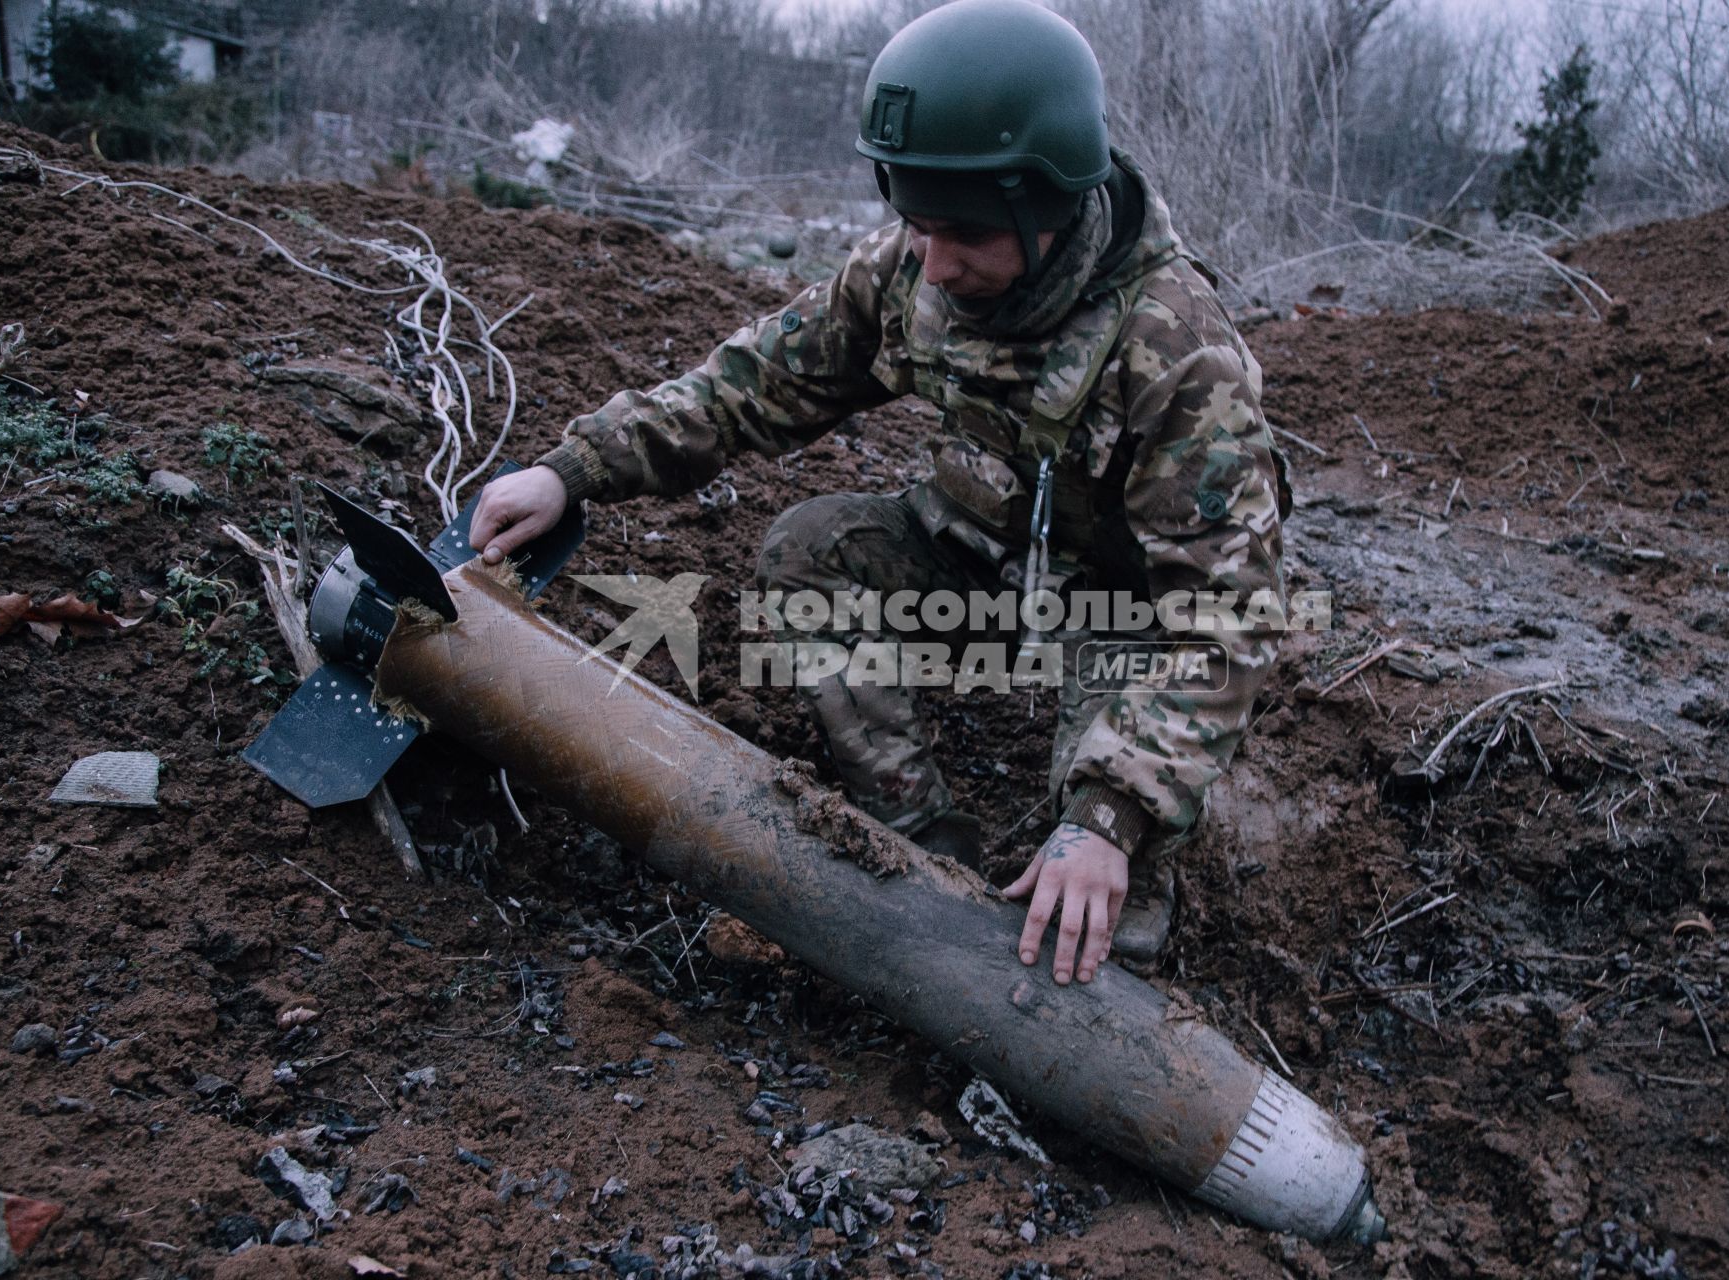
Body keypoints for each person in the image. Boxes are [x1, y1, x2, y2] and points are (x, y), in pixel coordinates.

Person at [470, 0, 1292, 989]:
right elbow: (756, 383)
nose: (934, 263)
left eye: (967, 236)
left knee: (1104, 875)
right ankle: (921, 848)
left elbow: (1228, 617)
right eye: (917, 223)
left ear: (1046, 206)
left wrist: (1111, 813)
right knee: (810, 552)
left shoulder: (1178, 350)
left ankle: (1103, 953)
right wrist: (574, 467)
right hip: (978, 567)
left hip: (1123, 614)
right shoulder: (914, 265)